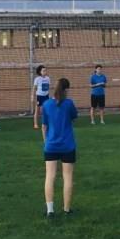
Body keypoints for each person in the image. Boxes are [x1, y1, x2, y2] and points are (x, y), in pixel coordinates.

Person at [41, 78, 78, 217]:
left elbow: (44, 126)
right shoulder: (69, 104)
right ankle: (67, 209)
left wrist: (46, 142)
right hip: (67, 145)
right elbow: (73, 118)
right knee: (67, 177)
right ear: (66, 90)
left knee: (50, 176)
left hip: (50, 146)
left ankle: (50, 210)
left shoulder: (46, 104)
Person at [32, 65, 51, 130]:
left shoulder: (48, 78)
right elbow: (34, 88)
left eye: (45, 70)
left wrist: (49, 95)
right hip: (39, 96)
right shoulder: (37, 79)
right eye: (43, 70)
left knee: (45, 110)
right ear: (40, 72)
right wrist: (32, 96)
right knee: (37, 110)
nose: (45, 72)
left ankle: (45, 123)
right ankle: (35, 124)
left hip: (46, 96)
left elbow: (48, 87)